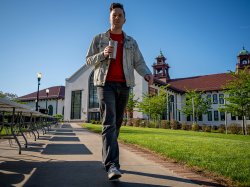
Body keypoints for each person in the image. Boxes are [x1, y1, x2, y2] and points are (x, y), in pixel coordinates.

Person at [86, 2, 154, 180]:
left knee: (117, 125)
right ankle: (112, 165)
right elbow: (88, 60)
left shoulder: (131, 42)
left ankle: (106, 157)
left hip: (124, 85)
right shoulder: (99, 39)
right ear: (109, 17)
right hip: (104, 83)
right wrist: (103, 54)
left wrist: (147, 74)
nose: (117, 17)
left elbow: (139, 62)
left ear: (124, 19)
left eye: (120, 15)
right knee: (109, 122)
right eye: (114, 14)